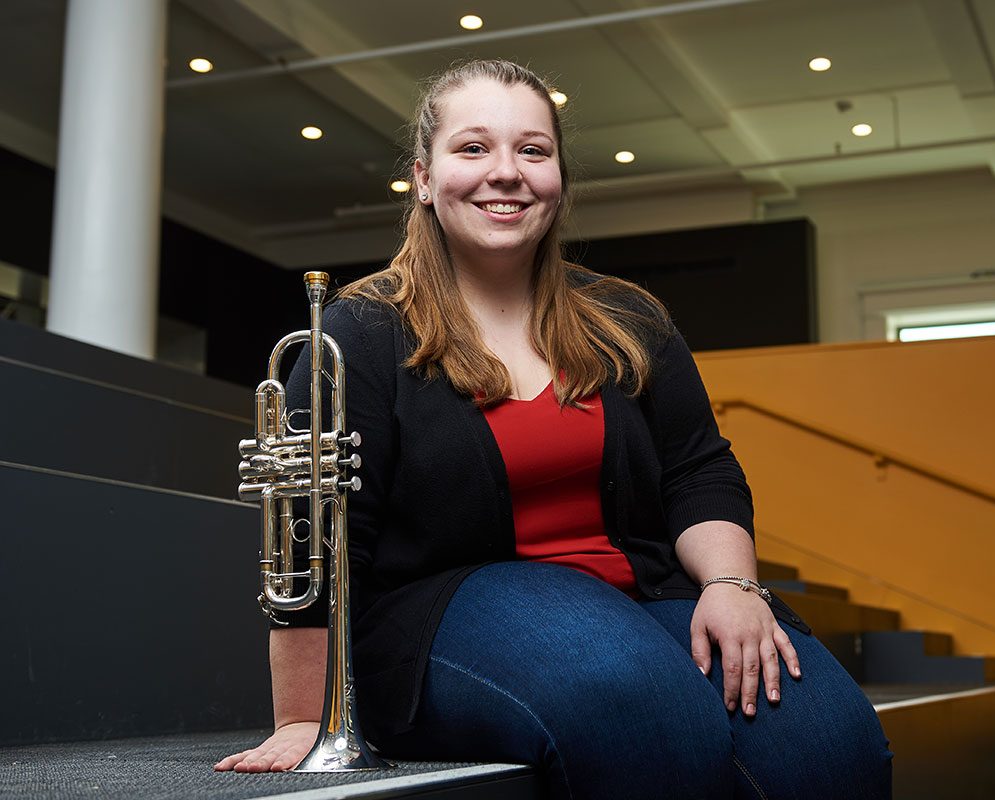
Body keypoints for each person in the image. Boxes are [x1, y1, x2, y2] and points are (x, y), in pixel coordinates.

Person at [215, 59, 892, 798]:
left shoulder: (627, 317)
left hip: (642, 598)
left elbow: (699, 470)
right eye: (473, 149)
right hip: (443, 614)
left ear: (559, 177)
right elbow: (315, 531)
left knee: (833, 746)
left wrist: (733, 587)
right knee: (642, 713)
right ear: (424, 177)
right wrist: (301, 718)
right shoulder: (362, 330)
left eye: (532, 151)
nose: (505, 172)